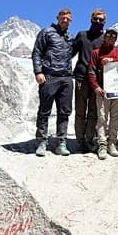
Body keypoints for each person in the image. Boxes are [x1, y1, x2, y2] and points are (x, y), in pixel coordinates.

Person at [32, 8, 74, 157]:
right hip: (49, 76)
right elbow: (37, 52)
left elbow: (72, 53)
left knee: (65, 111)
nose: (65, 20)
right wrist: (38, 71)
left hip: (66, 77)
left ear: (71, 21)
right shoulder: (47, 32)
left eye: (68, 19)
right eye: (63, 17)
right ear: (57, 18)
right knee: (44, 110)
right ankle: (41, 141)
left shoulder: (70, 37)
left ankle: (61, 142)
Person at [87, 29, 118, 159]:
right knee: (102, 118)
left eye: (113, 37)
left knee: (115, 118)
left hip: (117, 91)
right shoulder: (96, 53)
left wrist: (113, 62)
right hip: (102, 91)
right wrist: (96, 87)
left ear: (116, 39)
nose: (110, 38)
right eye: (108, 36)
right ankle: (102, 144)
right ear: (104, 37)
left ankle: (112, 143)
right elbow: (91, 71)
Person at [71, 8, 106, 152]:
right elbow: (70, 53)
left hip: (96, 81)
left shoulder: (105, 39)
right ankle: (80, 141)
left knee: (93, 111)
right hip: (81, 78)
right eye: (96, 19)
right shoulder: (82, 35)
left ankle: (89, 139)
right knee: (80, 111)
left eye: (101, 20)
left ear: (104, 22)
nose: (98, 21)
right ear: (91, 20)